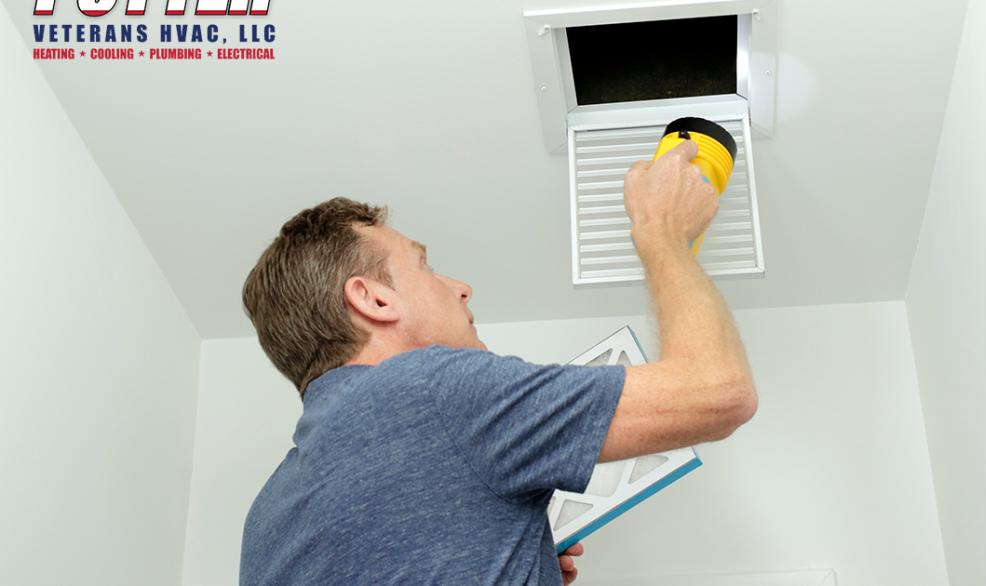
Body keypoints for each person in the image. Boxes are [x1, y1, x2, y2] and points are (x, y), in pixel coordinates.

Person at [239, 140, 757, 585]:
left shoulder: (265, 518)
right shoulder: (428, 390)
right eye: (426, 265)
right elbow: (719, 392)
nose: (460, 288)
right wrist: (661, 232)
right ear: (373, 300)